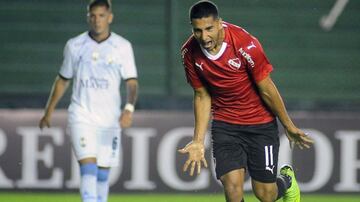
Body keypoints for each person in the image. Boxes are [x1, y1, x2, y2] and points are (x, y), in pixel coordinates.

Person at [178, 1, 313, 202]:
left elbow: (266, 89)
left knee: (265, 195)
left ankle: (286, 182)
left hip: (260, 124)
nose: (204, 37)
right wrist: (198, 141)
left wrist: (288, 125)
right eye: (198, 31)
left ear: (219, 23)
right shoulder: (189, 53)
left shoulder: (245, 44)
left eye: (209, 29)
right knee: (233, 190)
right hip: (225, 125)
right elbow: (202, 95)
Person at [39, 0, 138, 202]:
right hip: (81, 115)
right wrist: (48, 111)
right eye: (93, 15)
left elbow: (132, 82)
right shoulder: (74, 46)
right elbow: (63, 79)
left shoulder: (122, 46)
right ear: (88, 17)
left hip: (110, 119)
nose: (97, 20)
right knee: (88, 168)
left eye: (101, 15)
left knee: (102, 174)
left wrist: (128, 108)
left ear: (110, 17)